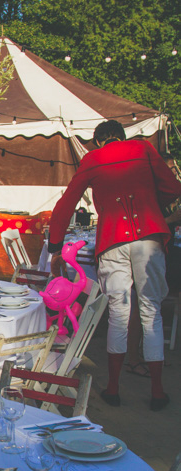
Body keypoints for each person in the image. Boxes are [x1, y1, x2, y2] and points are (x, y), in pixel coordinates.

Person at [48, 119, 181, 411]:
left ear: (98, 141)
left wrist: (56, 246)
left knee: (119, 315)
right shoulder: (144, 148)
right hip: (149, 239)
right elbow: (173, 188)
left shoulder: (93, 158)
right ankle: (157, 392)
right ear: (122, 136)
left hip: (112, 243)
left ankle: (113, 388)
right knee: (151, 312)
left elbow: (67, 203)